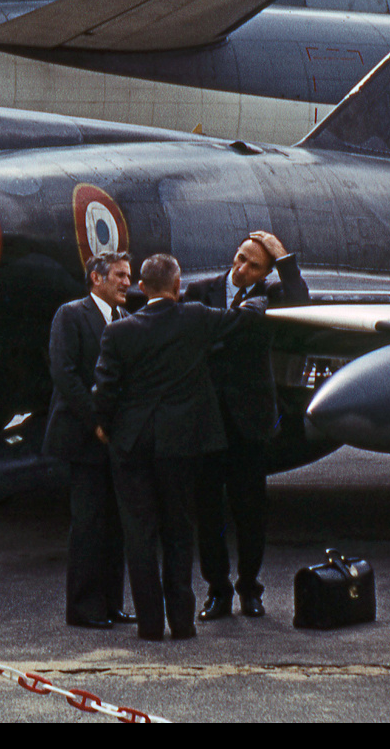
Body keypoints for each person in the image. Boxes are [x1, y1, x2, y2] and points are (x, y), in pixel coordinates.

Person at [92, 253, 264, 641]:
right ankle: (182, 623)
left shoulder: (118, 333)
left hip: (132, 446)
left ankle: (150, 626)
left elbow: (105, 387)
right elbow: (245, 320)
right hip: (182, 444)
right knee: (179, 534)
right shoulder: (196, 318)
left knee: (139, 536)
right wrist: (256, 297)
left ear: (141, 288)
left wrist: (104, 426)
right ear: (176, 287)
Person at [182, 231, 310, 620]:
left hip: (249, 423)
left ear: (266, 272)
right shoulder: (201, 291)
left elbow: (301, 302)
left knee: (250, 510)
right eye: (239, 259)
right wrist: (239, 323)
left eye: (253, 265)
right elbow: (195, 336)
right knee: (208, 511)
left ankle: (250, 589)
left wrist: (285, 260)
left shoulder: (272, 297)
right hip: (207, 420)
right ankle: (217, 590)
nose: (241, 269)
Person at [43, 251, 136, 630]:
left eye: (129, 276)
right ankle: (83, 608)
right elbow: (64, 374)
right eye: (119, 275)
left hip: (115, 439)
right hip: (83, 437)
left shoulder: (127, 320)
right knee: (88, 525)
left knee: (115, 526)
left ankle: (112, 604)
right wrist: (96, 421)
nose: (127, 282)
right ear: (96, 278)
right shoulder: (71, 315)